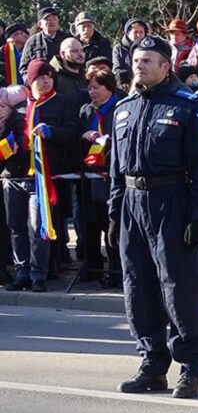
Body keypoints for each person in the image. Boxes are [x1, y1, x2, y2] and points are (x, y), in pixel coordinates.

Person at [108, 35, 198, 399]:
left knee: (178, 287)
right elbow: (116, 169)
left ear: (165, 67)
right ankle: (152, 363)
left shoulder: (187, 107)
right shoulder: (124, 109)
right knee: (138, 287)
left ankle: (191, 368)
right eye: (136, 60)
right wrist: (114, 212)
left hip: (171, 201)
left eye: (147, 61)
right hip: (132, 203)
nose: (139, 66)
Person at [4, 60, 81, 292]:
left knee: (38, 227)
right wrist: (8, 144)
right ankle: (22, 272)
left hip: (42, 179)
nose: (46, 81)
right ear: (31, 81)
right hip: (15, 177)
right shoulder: (19, 108)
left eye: (48, 76)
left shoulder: (63, 104)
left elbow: (72, 132)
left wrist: (51, 132)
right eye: (40, 77)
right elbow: (7, 133)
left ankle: (39, 275)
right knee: (16, 227)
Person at [79, 69, 122, 287]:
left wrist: (108, 141)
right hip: (90, 175)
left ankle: (116, 270)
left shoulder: (119, 108)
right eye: (89, 88)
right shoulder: (86, 111)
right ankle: (92, 266)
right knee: (90, 222)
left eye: (97, 87)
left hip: (111, 176)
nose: (92, 92)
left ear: (109, 88)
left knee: (111, 225)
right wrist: (85, 136)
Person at [19, 7, 68, 81]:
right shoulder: (32, 41)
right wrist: (30, 81)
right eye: (48, 19)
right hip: (41, 83)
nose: (52, 22)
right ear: (40, 24)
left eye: (54, 19)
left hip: (64, 82)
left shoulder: (67, 39)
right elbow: (24, 67)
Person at [112, 18, 148, 86]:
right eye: (135, 32)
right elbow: (116, 70)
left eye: (141, 32)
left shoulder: (148, 49)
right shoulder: (118, 49)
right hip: (125, 84)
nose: (138, 35)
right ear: (128, 33)